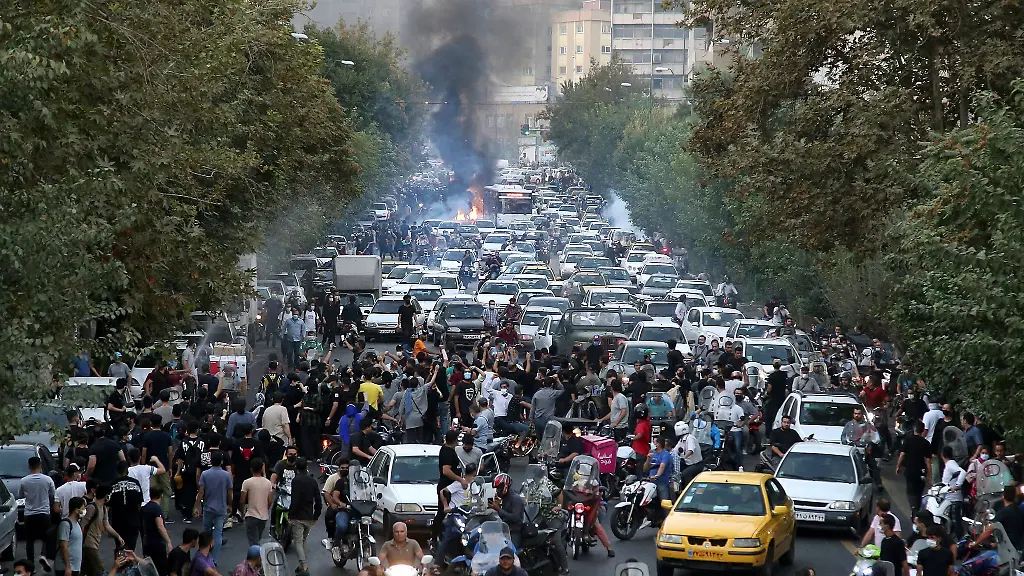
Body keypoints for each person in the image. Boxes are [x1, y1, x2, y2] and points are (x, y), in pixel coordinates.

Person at [194, 451, 232, 563]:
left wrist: (196, 506)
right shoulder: (226, 475)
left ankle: (204, 555)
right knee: (218, 533)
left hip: (208, 507)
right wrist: (230, 505)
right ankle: (213, 559)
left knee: (206, 531)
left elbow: (201, 492)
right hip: (221, 507)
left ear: (210, 461)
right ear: (221, 461)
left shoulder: (205, 474)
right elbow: (229, 492)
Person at [288, 457, 322, 575]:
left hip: (298, 516)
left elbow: (295, 500)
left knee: (298, 541)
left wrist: (291, 515)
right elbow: (318, 500)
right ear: (306, 467)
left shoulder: (296, 481)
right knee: (303, 541)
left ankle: (304, 566)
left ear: (296, 467)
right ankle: (301, 565)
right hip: (309, 516)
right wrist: (316, 516)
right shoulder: (312, 481)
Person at [432, 432, 466, 546]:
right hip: (447, 488)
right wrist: (460, 479)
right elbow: (446, 470)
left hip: (452, 488)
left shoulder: (447, 449)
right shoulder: (447, 453)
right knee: (442, 513)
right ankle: (434, 539)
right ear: (455, 440)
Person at [81, 484, 122, 576]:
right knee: (99, 569)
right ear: (106, 495)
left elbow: (106, 525)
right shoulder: (92, 507)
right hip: (89, 544)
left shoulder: (103, 508)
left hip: (95, 543)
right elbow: (83, 525)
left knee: (86, 570)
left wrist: (118, 537)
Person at [896, 421, 933, 516]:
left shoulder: (908, 440)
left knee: (910, 490)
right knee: (919, 491)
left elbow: (902, 454)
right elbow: (928, 462)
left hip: (910, 470)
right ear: (923, 431)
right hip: (921, 471)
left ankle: (913, 508)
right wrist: (929, 476)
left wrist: (898, 466)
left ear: (914, 429)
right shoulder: (926, 443)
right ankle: (916, 507)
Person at [239, 458, 273, 547]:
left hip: (251, 515)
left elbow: (242, 500)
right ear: (262, 468)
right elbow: (270, 501)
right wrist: (265, 509)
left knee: (253, 543)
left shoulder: (247, 482)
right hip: (263, 517)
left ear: (251, 469)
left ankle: (256, 559)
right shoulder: (268, 483)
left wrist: (242, 513)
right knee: (257, 539)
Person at [140, 486, 172, 576]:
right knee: (161, 569)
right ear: (161, 496)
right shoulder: (157, 509)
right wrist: (168, 541)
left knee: (149, 568)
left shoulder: (144, 508)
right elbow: (160, 526)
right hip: (157, 543)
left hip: (146, 542)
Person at [938, 446, 967, 536]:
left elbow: (963, 472)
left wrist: (958, 485)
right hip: (948, 498)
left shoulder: (951, 464)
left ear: (942, 455)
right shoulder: (949, 464)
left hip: (953, 499)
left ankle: (960, 539)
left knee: (955, 522)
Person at [490, 474, 525, 547]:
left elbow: (516, 518)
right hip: (505, 530)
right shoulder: (505, 498)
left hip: (514, 532)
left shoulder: (515, 499)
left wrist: (499, 509)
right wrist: (498, 508)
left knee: (511, 553)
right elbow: (504, 517)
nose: (497, 491)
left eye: (499, 488)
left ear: (505, 487)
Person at [645, 436, 672, 520]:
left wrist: (656, 476)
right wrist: (648, 460)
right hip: (650, 482)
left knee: (664, 504)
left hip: (661, 482)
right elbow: (645, 468)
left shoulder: (665, 454)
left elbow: (662, 466)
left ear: (659, 444)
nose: (653, 444)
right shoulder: (652, 453)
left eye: (654, 442)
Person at [57, 496, 85, 576]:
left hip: (75, 567)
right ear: (76, 510)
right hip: (65, 568)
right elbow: (63, 546)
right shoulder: (65, 524)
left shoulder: (77, 524)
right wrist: (68, 567)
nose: (84, 510)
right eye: (83, 508)